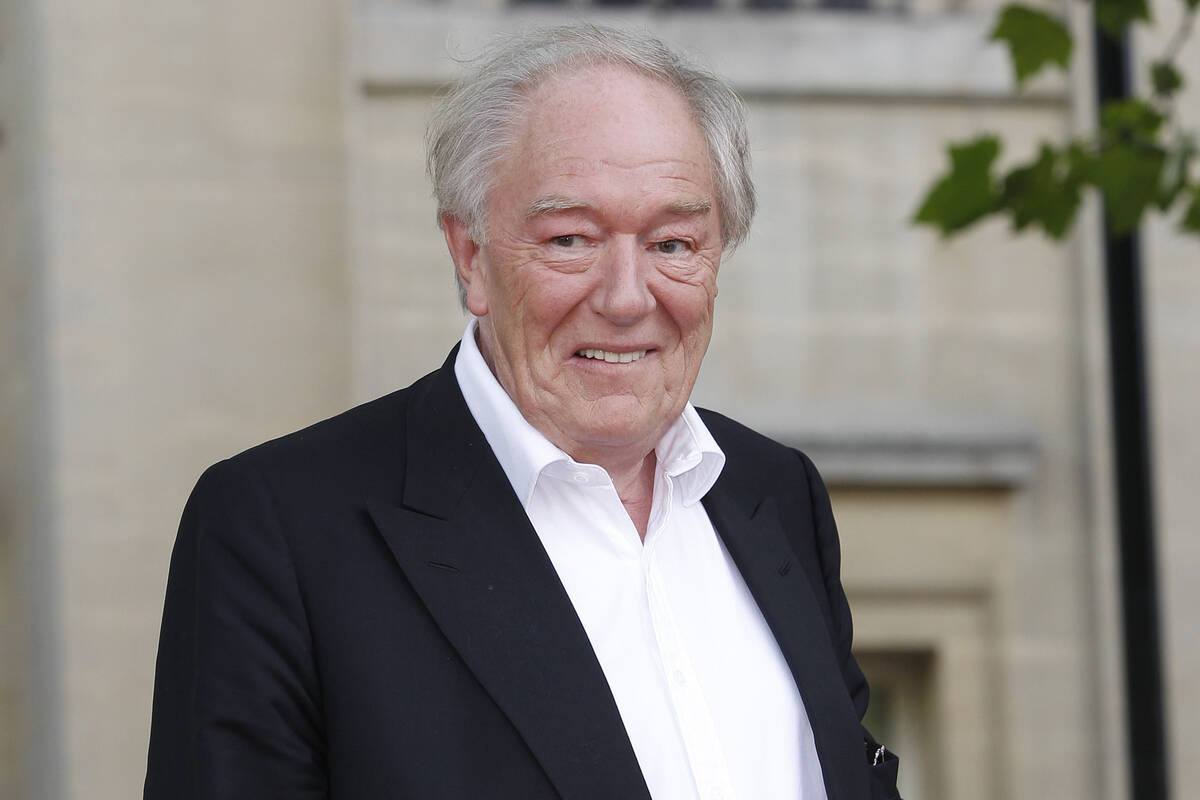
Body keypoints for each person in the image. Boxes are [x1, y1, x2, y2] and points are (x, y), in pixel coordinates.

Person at [144, 23, 901, 800]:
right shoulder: (280, 530)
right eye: (571, 238)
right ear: (470, 256)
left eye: (673, 244)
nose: (626, 297)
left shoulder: (776, 495)